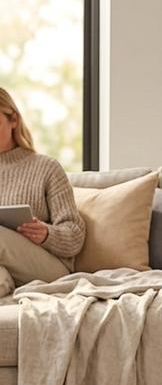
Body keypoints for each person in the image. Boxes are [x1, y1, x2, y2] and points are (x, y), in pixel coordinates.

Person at [0, 88, 85, 295]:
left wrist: (47, 234)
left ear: (14, 120)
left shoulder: (46, 168)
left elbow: (75, 234)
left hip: (49, 267)